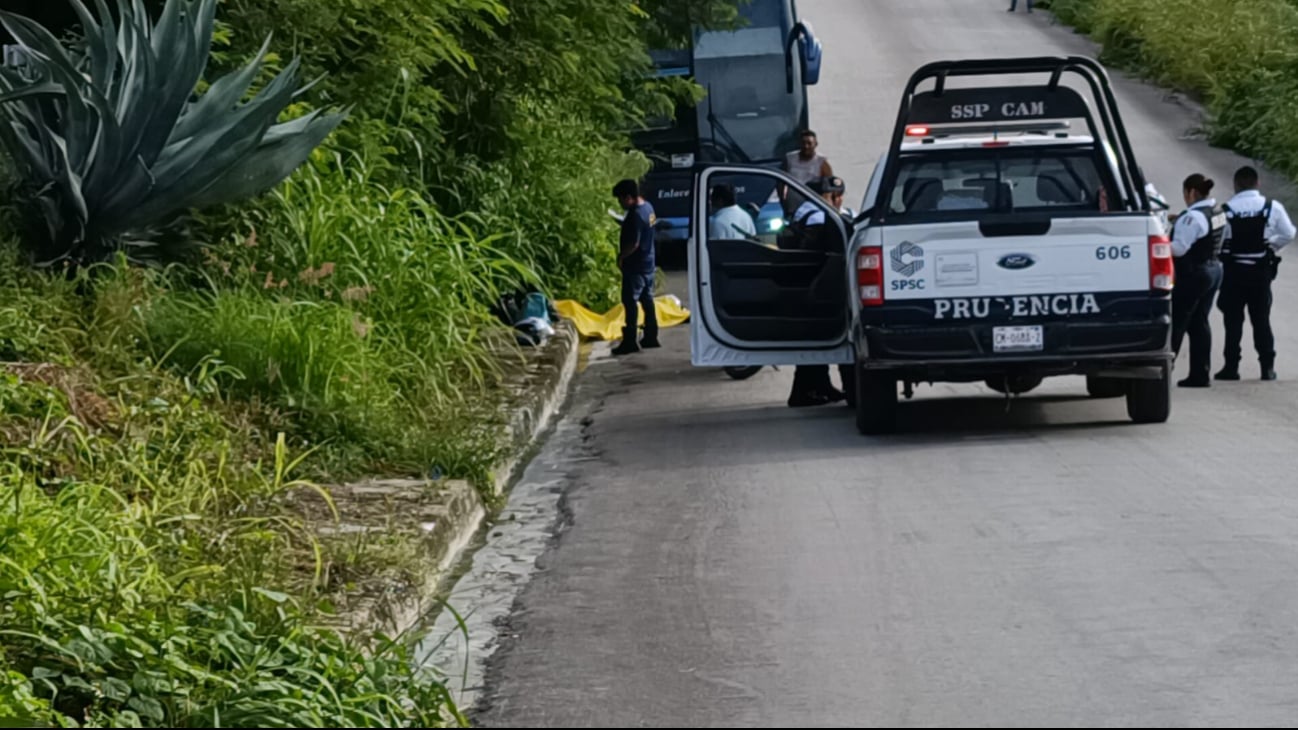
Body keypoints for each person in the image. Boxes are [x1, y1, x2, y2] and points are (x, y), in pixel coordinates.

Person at [1215, 166, 1296, 381]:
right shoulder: (1272, 207)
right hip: (1260, 272)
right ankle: (1267, 367)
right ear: (1257, 183)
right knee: (1261, 320)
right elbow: (1289, 233)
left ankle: (1231, 367)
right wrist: (1270, 247)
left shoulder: (1226, 210)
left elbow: (1219, 242)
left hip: (1234, 273)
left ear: (1236, 184)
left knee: (1232, 321)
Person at [786, 175, 853, 407]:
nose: (835, 199)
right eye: (830, 195)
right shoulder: (817, 218)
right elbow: (810, 256)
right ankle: (812, 391)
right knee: (836, 340)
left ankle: (820, 387)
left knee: (820, 341)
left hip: (821, 289)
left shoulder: (823, 215)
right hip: (821, 288)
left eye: (838, 194)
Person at [1168, 173, 1225, 388]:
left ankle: (1164, 370)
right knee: (1199, 322)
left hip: (1193, 274)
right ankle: (1200, 373)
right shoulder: (1216, 211)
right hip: (1213, 270)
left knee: (1178, 323)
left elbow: (1180, 249)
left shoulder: (1192, 218)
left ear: (1191, 192)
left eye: (1185, 194)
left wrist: (1157, 243)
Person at [611, 179, 660, 356]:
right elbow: (650, 228)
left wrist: (621, 256)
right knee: (648, 299)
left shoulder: (634, 215)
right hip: (649, 262)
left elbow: (634, 243)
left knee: (630, 301)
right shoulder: (649, 208)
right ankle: (651, 335)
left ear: (629, 197)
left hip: (636, 265)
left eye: (621, 200)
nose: (620, 204)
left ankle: (630, 340)